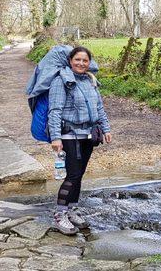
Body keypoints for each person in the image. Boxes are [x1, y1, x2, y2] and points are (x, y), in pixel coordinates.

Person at [48, 46, 112, 235]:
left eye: (85, 61)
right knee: (73, 174)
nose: (81, 63)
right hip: (69, 135)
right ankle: (60, 215)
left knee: (80, 174)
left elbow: (99, 108)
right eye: (78, 60)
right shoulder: (62, 81)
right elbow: (55, 111)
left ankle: (72, 210)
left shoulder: (90, 81)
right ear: (70, 60)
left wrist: (106, 129)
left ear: (89, 63)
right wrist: (55, 137)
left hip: (88, 135)